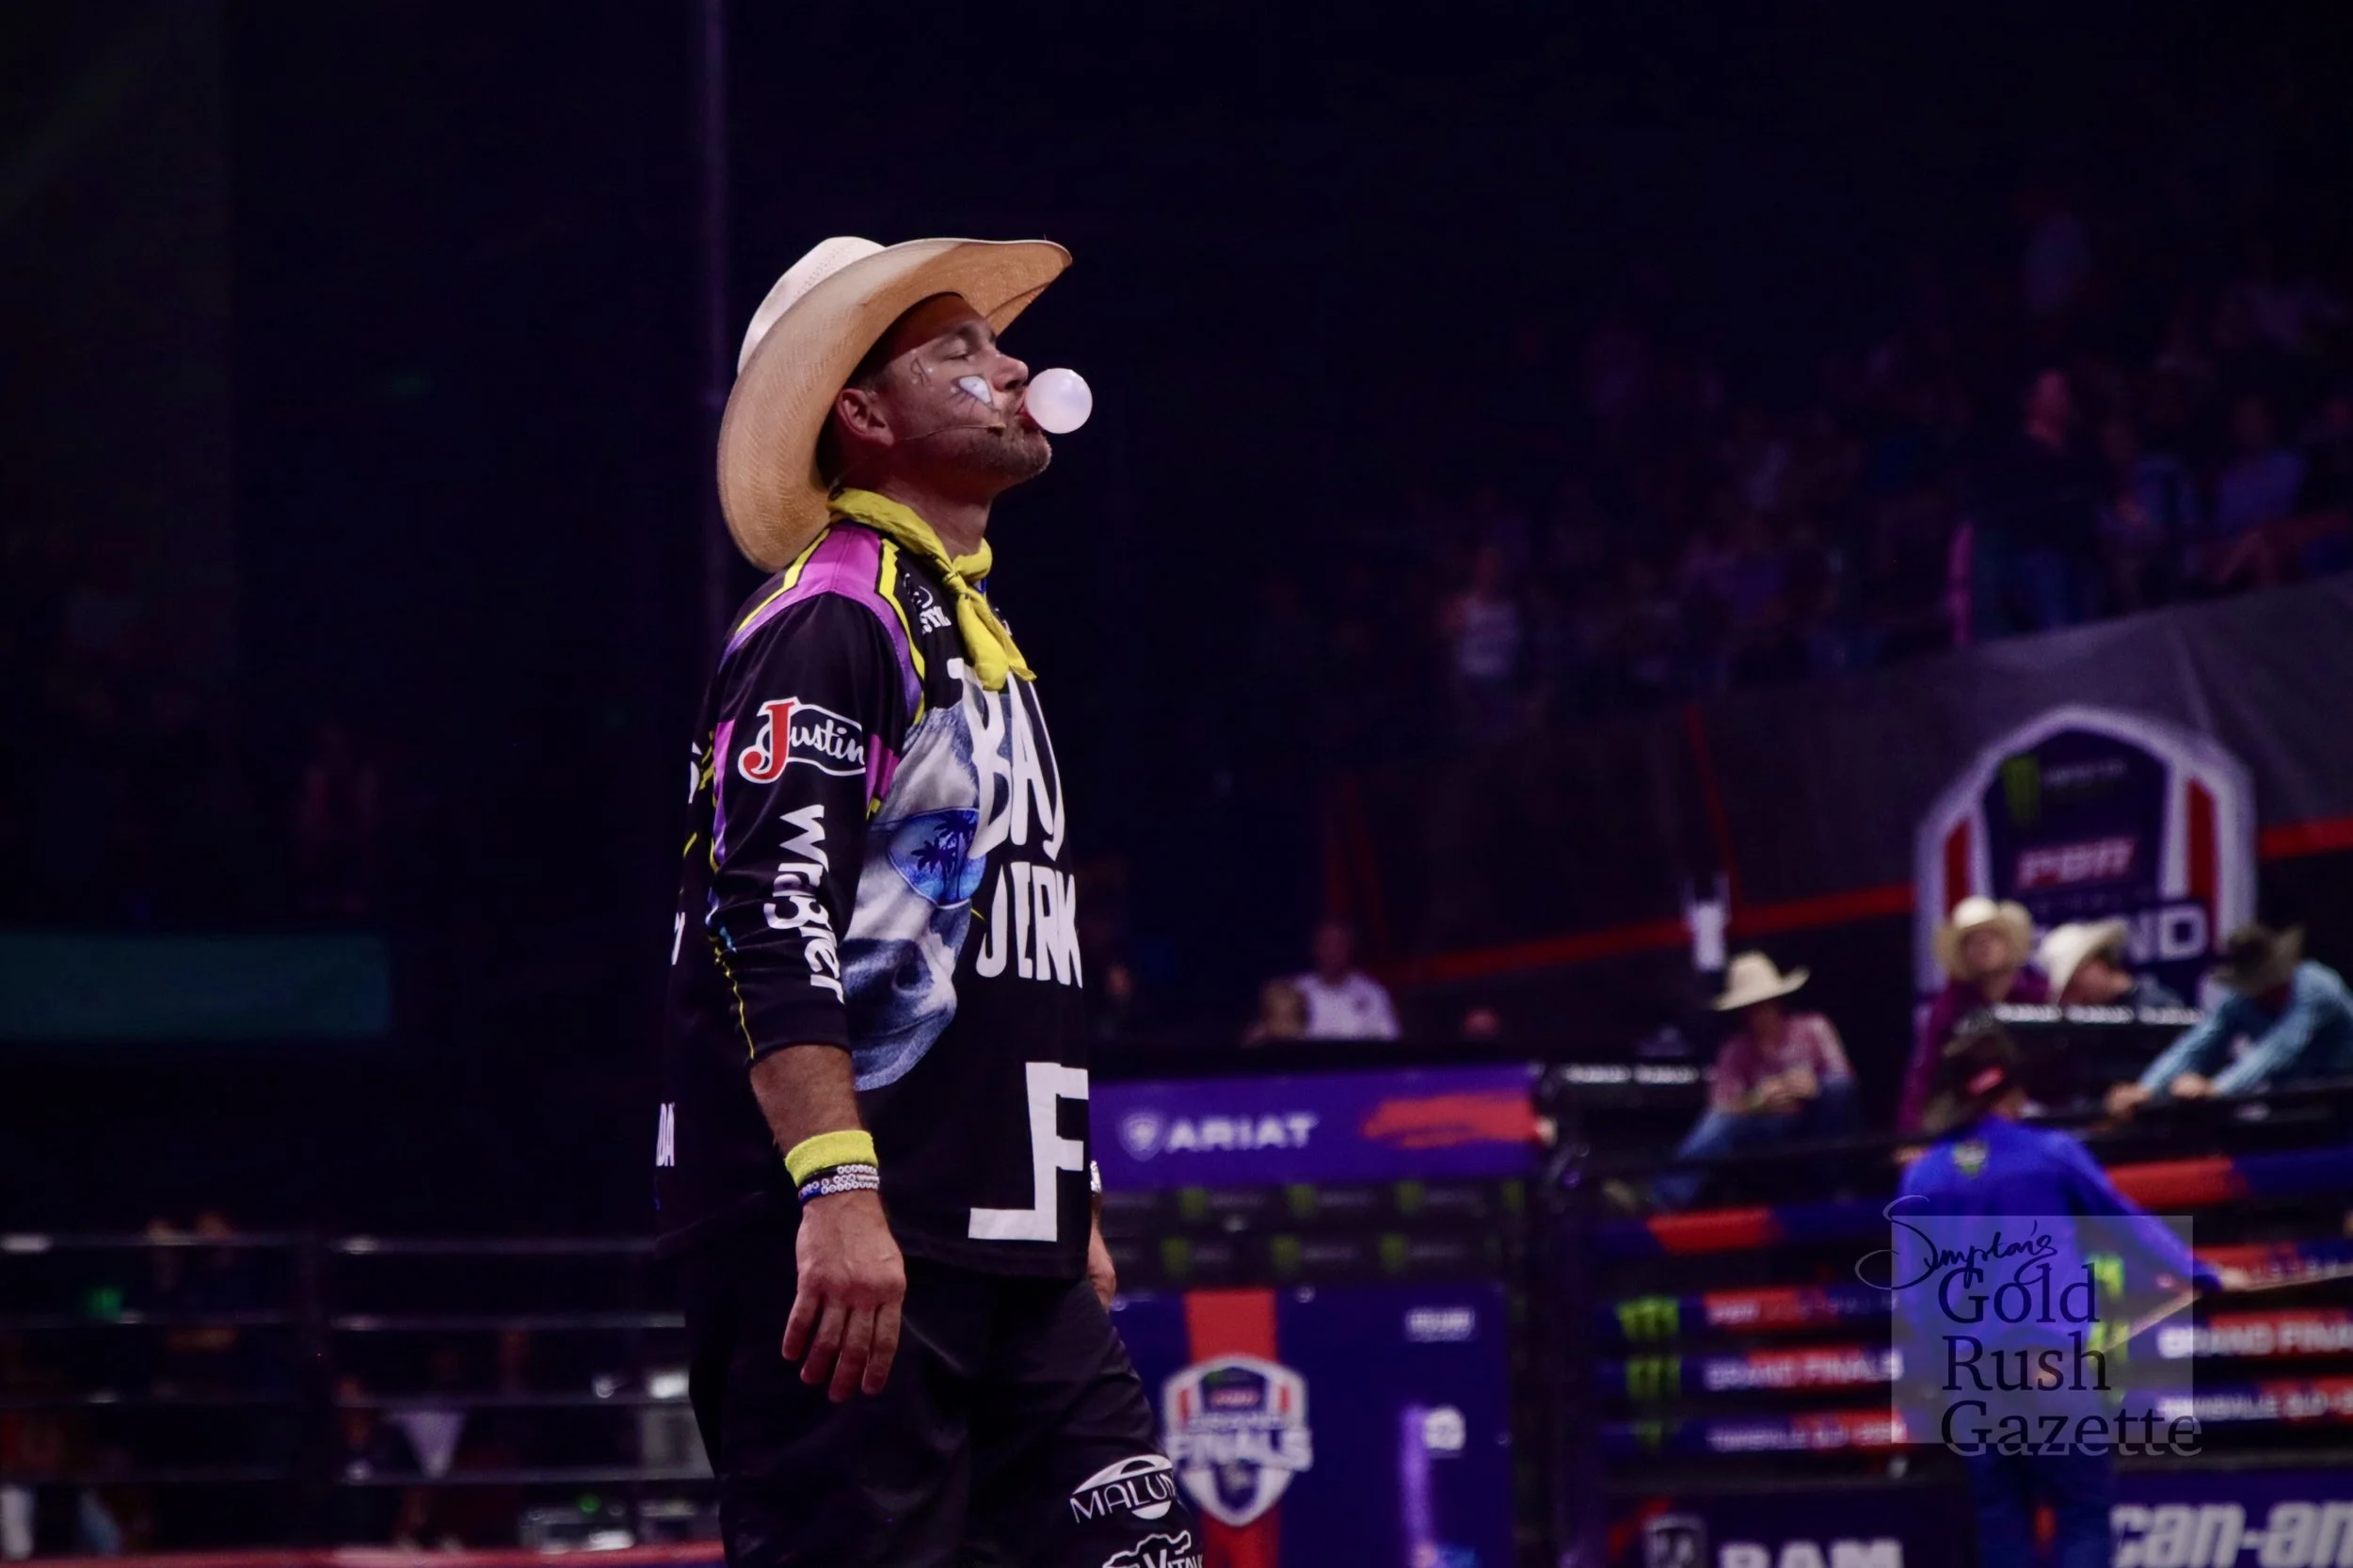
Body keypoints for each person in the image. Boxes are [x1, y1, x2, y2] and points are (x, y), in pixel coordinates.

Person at [657, 236, 1191, 1565]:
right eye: (961, 351)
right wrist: (836, 1191)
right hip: (853, 1245)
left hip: (1012, 1247)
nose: (1015, 368)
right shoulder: (827, 620)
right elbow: (763, 915)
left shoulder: (976, 638)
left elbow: (1018, 960)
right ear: (864, 411)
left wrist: (1070, 1201)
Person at [1901, 1021, 2223, 1568]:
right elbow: (2124, 1223)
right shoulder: (2049, 1152)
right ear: (2015, 1088)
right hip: (2048, 1363)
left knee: (2003, 1517)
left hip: (1972, 1377)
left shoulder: (1923, 1176)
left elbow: (1916, 1299)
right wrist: (2200, 1273)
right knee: (2081, 1511)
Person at [1653, 952, 1860, 1210]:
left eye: (1764, 1003)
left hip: (1816, 1118)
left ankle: (1834, 1188)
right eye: (1751, 1007)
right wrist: (1760, 1100)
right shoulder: (1736, 1049)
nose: (1758, 1013)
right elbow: (1720, 1104)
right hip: (1770, 1128)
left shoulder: (1814, 1027)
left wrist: (1815, 1085)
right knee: (1721, 1122)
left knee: (1836, 1088)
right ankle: (1663, 1197)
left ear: (1777, 1001)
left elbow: (1844, 1077)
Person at [2106, 924, 2353, 1118]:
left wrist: (2218, 1089)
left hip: (2344, 1095)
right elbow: (2197, 1044)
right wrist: (2147, 1089)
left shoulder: (2317, 986)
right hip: (2296, 1104)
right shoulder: (2240, 998)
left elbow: (2277, 1050)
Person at [1899, 897, 2050, 1132]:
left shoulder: (2040, 994)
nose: (1983, 947)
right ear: (1963, 955)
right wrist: (1911, 1136)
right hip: (1969, 1114)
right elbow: (1924, 1073)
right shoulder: (1948, 1007)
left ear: (2008, 944)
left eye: (1991, 938)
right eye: (1972, 942)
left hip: (2038, 1108)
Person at [1290, 918, 1401, 1039]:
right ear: (1316, 948)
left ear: (1350, 948)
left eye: (1338, 945)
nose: (1332, 952)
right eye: (1326, 944)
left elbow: (1388, 1042)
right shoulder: (1295, 991)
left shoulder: (1373, 994)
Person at [2037, 920, 2184, 1010]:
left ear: (2095, 963)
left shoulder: (2159, 1006)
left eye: (2074, 985)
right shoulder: (2088, 1030)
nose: (2073, 998)